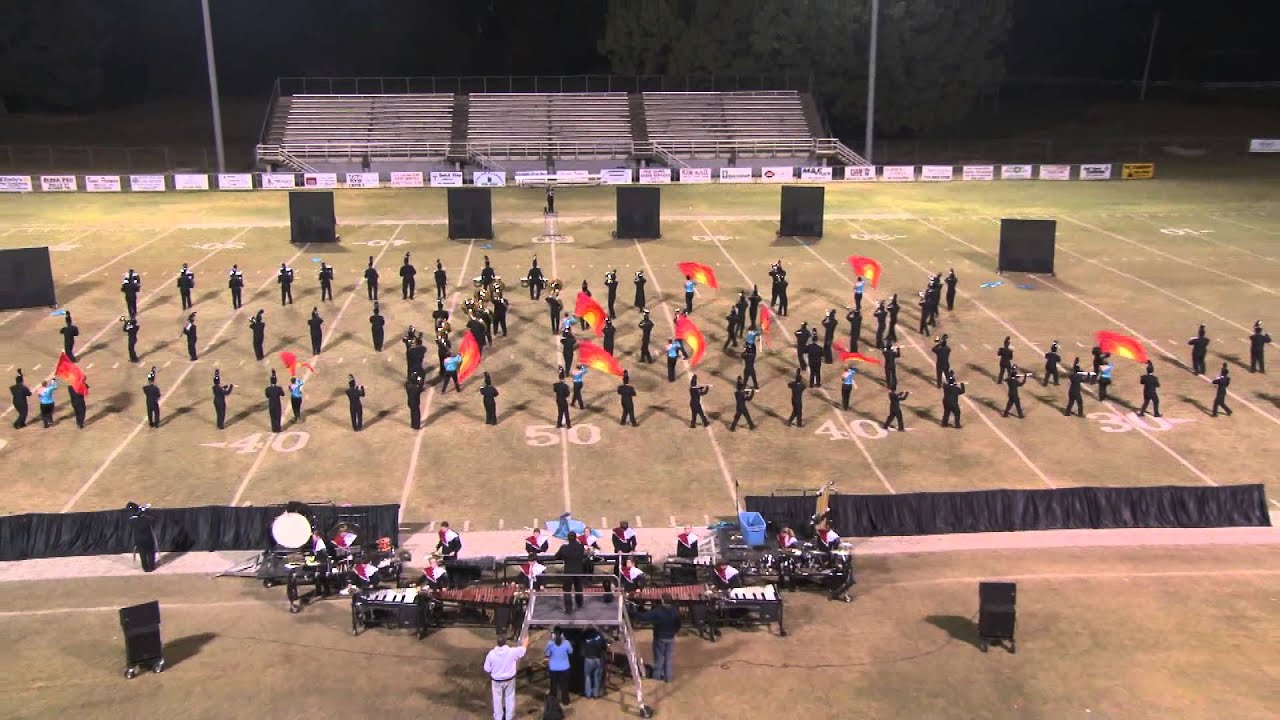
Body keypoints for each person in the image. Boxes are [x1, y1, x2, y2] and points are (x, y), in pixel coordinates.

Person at [484, 632, 530, 720]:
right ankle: (509, 717)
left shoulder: (491, 654)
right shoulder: (512, 651)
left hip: (496, 681)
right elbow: (523, 649)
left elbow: (486, 668)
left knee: (497, 699)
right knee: (509, 697)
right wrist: (527, 637)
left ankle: (498, 717)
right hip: (510, 680)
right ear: (505, 642)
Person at [636, 594, 680, 683]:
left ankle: (656, 677)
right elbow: (678, 624)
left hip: (660, 637)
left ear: (663, 601)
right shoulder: (675, 611)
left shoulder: (658, 611)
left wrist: (632, 612)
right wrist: (673, 632)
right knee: (668, 658)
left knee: (659, 658)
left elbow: (643, 617)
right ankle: (668, 677)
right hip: (670, 637)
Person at [554, 533, 587, 613]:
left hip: (568, 572)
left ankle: (568, 609)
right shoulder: (581, 547)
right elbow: (583, 556)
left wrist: (564, 557)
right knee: (578, 588)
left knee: (567, 590)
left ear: (568, 539)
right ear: (576, 538)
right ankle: (580, 604)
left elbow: (556, 557)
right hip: (578, 571)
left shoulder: (564, 548)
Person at [545, 627, 574, 706]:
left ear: (554, 633)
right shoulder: (566, 642)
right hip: (564, 668)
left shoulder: (550, 643)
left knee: (553, 685)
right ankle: (565, 701)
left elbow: (547, 654)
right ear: (562, 634)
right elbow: (571, 652)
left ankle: (553, 702)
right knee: (564, 685)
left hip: (553, 668)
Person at [127, 502, 158, 573]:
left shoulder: (132, 520)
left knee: (142, 554)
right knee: (150, 552)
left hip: (139, 540)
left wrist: (141, 511)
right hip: (148, 538)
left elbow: (134, 517)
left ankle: (146, 568)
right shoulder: (146, 519)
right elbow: (154, 519)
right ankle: (151, 566)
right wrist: (145, 511)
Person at [581, 628, 607, 699]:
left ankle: (588, 694)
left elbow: (581, 645)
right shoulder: (599, 635)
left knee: (587, 676)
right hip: (598, 658)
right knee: (597, 677)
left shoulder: (585, 635)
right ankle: (596, 694)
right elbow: (604, 646)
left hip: (588, 658)